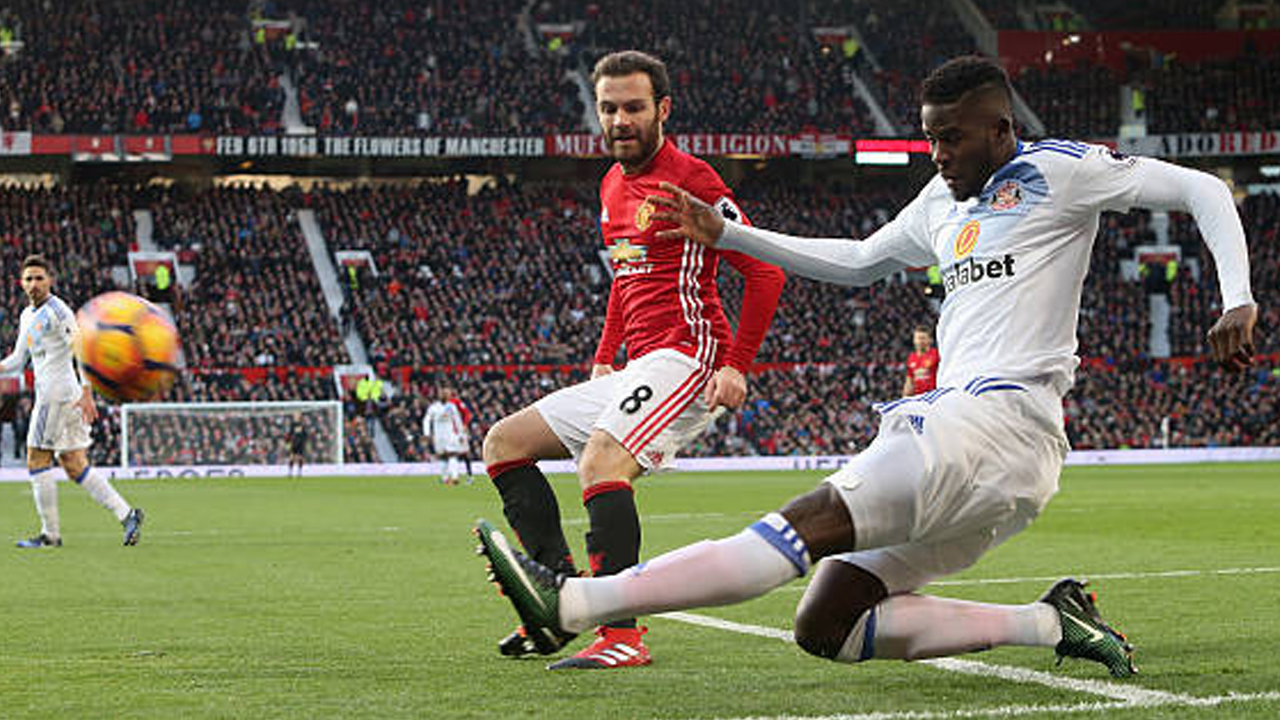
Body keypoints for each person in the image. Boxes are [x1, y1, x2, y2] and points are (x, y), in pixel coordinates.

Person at [475, 56, 1257, 678]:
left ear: (1000, 127)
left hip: (991, 421)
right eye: (930, 138)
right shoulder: (939, 201)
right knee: (830, 625)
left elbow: (1199, 190)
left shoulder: (1063, 170)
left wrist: (1238, 299)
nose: (940, 154)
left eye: (953, 137)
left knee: (798, 528)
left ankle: (577, 602)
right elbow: (855, 262)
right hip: (1003, 466)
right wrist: (731, 235)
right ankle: (1051, 620)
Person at [480, 50, 786, 669]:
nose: (620, 119)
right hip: (638, 364)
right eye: (609, 108)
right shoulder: (611, 185)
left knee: (600, 461)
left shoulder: (694, 180)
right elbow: (625, 276)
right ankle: (559, 603)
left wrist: (737, 365)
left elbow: (766, 270)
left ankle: (621, 634)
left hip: (689, 359)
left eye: (634, 107)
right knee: (502, 443)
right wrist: (603, 356)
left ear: (662, 110)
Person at [3, 255, 146, 548]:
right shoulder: (27, 316)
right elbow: (18, 359)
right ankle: (128, 514)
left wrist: (87, 391)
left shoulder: (59, 311)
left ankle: (50, 535)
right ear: (21, 282)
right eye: (28, 279)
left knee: (36, 459)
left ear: (50, 280)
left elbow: (80, 350)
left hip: (55, 394)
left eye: (39, 278)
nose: (33, 284)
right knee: (74, 463)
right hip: (61, 395)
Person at [424, 387, 470, 486]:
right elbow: (427, 420)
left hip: (449, 434)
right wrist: (427, 434)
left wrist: (461, 434)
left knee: (452, 454)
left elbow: (457, 421)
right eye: (445, 394)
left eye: (448, 394)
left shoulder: (452, 407)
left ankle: (454, 478)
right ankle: (446, 478)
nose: (446, 396)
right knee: (443, 457)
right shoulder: (434, 407)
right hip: (438, 435)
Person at [903, 324, 940, 396]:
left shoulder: (937, 355)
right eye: (918, 338)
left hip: (934, 396)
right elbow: (909, 380)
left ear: (930, 340)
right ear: (914, 340)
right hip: (919, 399)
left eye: (923, 338)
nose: (920, 341)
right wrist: (905, 397)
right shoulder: (911, 358)